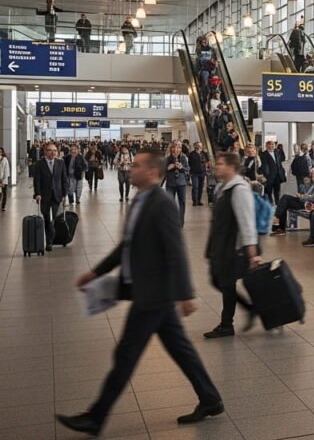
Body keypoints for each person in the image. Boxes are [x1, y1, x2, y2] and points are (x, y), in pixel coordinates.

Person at [56, 150, 223, 436]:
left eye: (136, 166)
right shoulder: (139, 201)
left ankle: (96, 417)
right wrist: (95, 272)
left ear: (152, 172)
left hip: (154, 294)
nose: (130, 169)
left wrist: (186, 293)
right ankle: (210, 399)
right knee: (180, 349)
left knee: (126, 354)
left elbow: (176, 250)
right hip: (145, 290)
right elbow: (126, 246)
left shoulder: (162, 204)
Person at [203, 152, 261, 339]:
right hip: (221, 244)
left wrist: (251, 251)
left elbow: (247, 222)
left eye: (220, 164)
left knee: (226, 283)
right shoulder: (222, 187)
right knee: (219, 281)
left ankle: (227, 324)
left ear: (232, 167)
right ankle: (251, 309)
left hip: (234, 247)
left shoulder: (240, 189)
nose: (216, 166)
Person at [270, 166, 314, 236]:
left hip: (310, 205)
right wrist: (302, 196)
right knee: (284, 200)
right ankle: (280, 226)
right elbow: (309, 195)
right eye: (313, 174)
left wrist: (301, 196)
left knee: (285, 199)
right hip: (305, 201)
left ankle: (278, 221)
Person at [32, 142, 69, 251]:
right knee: (47, 218)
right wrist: (37, 194)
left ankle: (49, 241)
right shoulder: (39, 164)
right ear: (45, 152)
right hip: (44, 196)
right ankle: (52, 234)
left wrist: (64, 194)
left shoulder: (60, 163)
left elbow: (64, 179)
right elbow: (37, 181)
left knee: (55, 217)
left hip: (57, 195)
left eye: (54, 151)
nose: (52, 153)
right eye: (50, 150)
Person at [164, 141, 190, 226]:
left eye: (178, 147)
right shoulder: (167, 159)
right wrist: (168, 168)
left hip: (181, 183)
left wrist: (182, 168)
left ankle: (181, 221)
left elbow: (187, 170)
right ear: (171, 148)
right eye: (174, 147)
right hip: (170, 184)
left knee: (182, 202)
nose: (176, 149)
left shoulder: (184, 158)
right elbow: (163, 171)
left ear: (181, 148)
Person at [258, 140, 283, 205]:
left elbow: (279, 163)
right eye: (269, 145)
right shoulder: (263, 154)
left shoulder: (277, 152)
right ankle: (270, 203)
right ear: (266, 146)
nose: (271, 146)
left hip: (277, 175)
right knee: (269, 191)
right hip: (269, 176)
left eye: (272, 145)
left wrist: (282, 172)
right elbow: (264, 166)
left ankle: (278, 203)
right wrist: (267, 176)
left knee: (277, 190)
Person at [187, 142, 208, 207]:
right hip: (194, 173)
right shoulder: (191, 154)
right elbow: (189, 163)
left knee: (200, 187)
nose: (199, 147)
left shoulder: (204, 153)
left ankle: (199, 200)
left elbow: (207, 161)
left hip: (202, 173)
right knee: (195, 187)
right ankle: (194, 201)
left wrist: (206, 169)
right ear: (195, 146)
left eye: (200, 145)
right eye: (198, 145)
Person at [0, 147, 10, 212]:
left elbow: (7, 171)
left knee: (4, 194)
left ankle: (3, 206)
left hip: (4, 180)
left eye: (1, 151)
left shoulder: (5, 160)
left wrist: (3, 181)